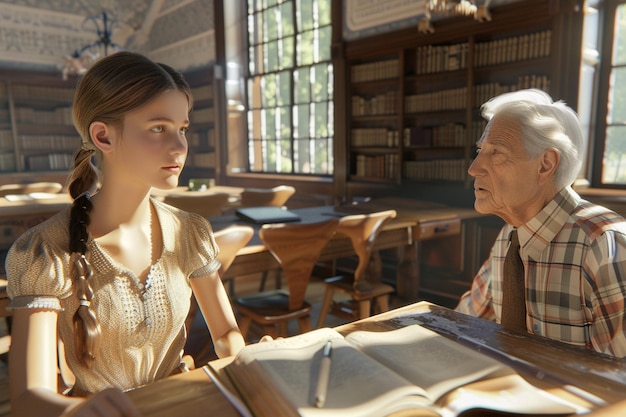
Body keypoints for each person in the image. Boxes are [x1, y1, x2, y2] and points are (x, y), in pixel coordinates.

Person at [5, 51, 246, 417]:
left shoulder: (191, 232)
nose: (180, 146)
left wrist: (254, 358)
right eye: (158, 128)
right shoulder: (44, 251)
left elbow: (227, 336)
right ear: (103, 136)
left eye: (182, 129)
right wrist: (73, 412)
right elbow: (28, 398)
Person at [456, 88, 626, 358]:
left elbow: (617, 383)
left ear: (545, 165)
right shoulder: (510, 235)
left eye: (496, 152)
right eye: (480, 150)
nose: (474, 168)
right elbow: (466, 323)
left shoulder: (606, 245)